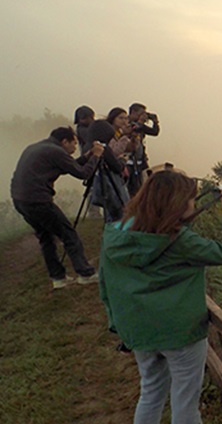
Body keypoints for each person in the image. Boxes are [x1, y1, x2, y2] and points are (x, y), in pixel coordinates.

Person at [99, 167, 222, 424]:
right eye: (190, 201)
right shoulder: (179, 241)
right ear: (178, 205)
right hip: (181, 333)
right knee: (184, 399)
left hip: (139, 331)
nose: (193, 206)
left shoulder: (116, 232)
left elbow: (105, 285)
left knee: (150, 390)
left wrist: (119, 326)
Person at [10, 126, 105, 288]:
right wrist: (96, 156)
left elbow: (69, 166)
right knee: (68, 234)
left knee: (46, 237)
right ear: (64, 141)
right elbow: (83, 174)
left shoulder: (39, 147)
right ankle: (85, 273)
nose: (75, 148)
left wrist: (87, 156)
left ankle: (58, 278)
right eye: (73, 144)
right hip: (38, 200)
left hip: (20, 200)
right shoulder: (56, 151)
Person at [85, 108, 133, 221]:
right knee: (117, 209)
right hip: (109, 180)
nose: (124, 121)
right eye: (121, 118)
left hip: (99, 179)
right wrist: (122, 160)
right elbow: (116, 167)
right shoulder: (104, 148)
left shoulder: (91, 145)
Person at [126, 103, 159, 194]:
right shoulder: (126, 123)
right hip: (127, 162)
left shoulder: (140, 126)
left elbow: (154, 132)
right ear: (133, 112)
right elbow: (132, 129)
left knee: (140, 188)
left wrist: (155, 122)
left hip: (140, 162)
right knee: (127, 189)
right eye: (141, 113)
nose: (144, 116)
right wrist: (140, 122)